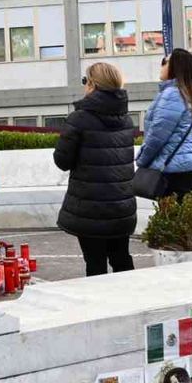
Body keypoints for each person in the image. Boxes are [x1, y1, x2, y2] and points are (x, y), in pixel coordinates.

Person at [54, 62, 137, 277]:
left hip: (91, 208)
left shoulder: (79, 119)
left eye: (86, 81)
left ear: (92, 84)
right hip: (122, 206)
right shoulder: (127, 119)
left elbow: (62, 160)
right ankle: (132, 296)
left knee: (95, 264)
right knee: (122, 259)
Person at [136, 48, 192, 199]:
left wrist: (142, 161)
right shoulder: (191, 94)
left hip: (175, 172)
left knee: (171, 212)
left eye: (164, 62)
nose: (161, 66)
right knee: (188, 212)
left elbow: (157, 136)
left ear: (176, 67)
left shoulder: (173, 94)